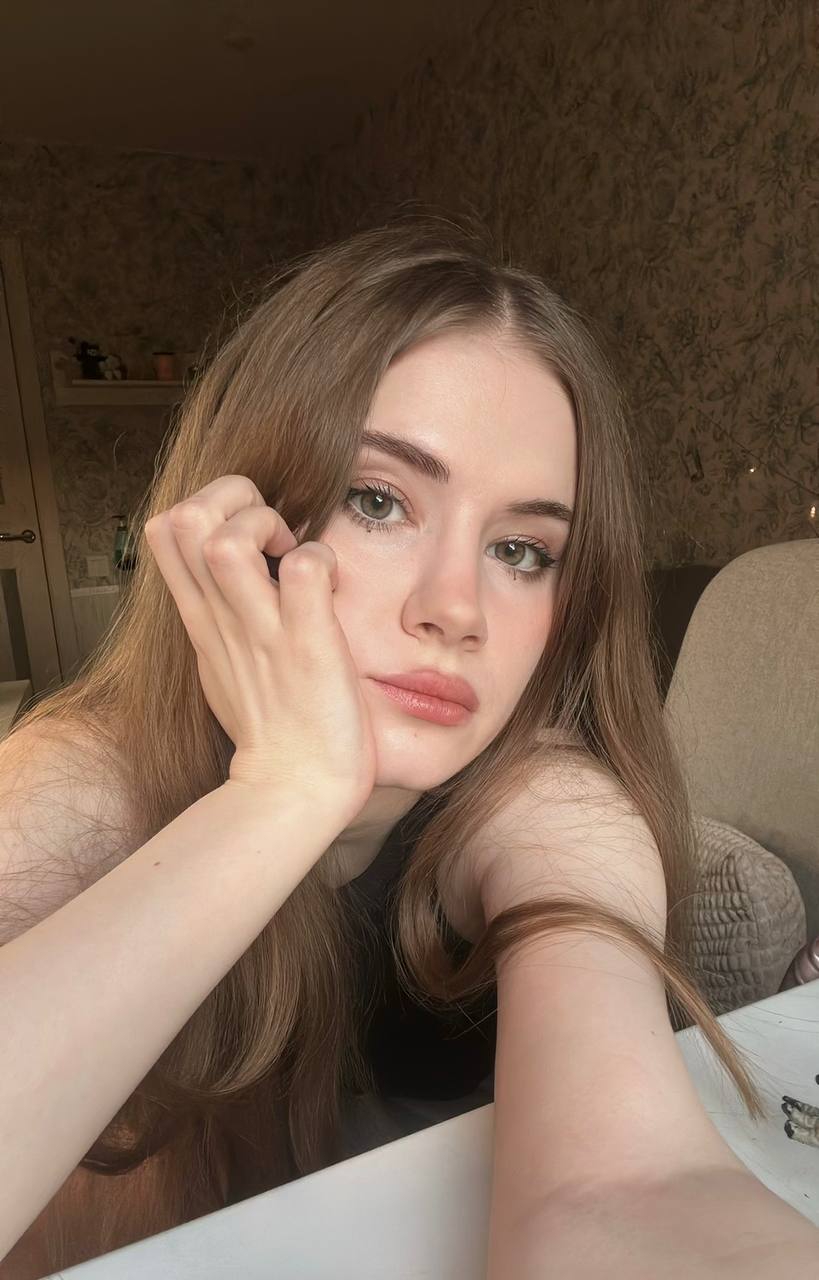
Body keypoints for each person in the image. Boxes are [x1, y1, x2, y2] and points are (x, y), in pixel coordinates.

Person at [0, 217, 806, 1277]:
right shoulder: (76, 785)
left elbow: (623, 1189)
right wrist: (284, 793)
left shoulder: (550, 804)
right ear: (244, 525)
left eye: (521, 549)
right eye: (377, 500)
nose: (455, 608)